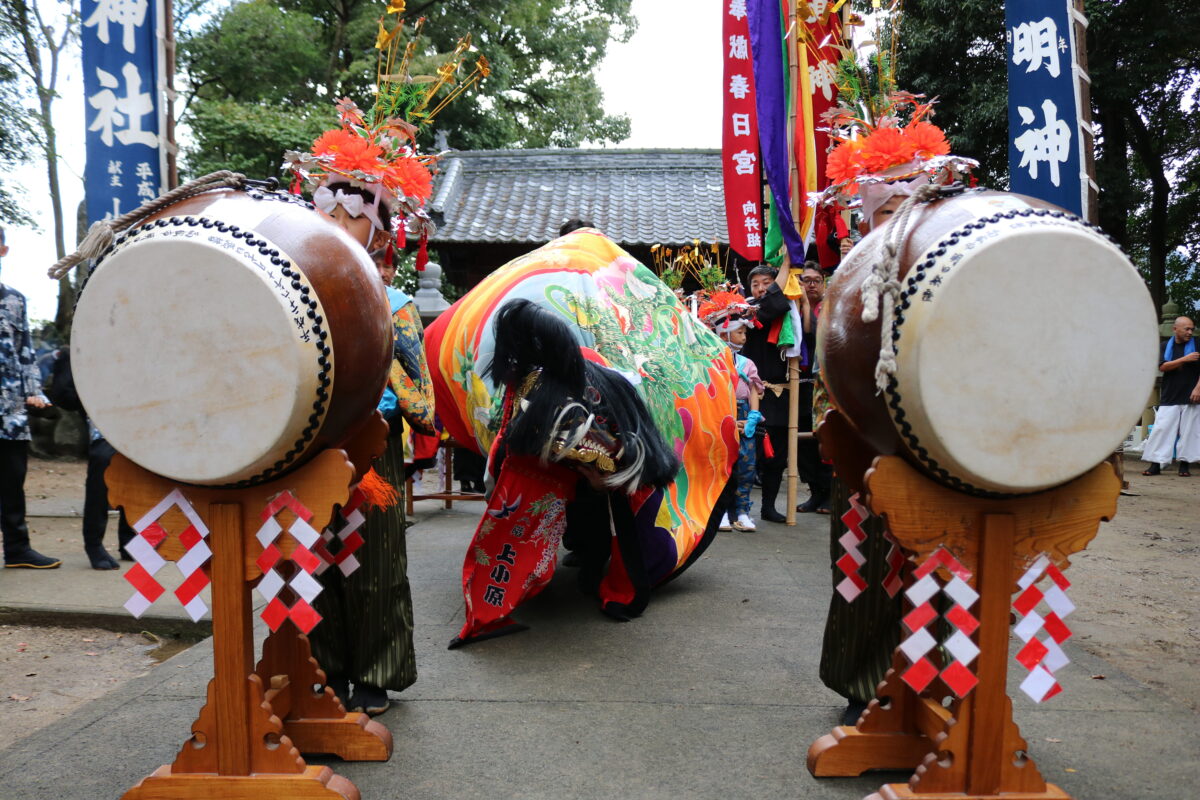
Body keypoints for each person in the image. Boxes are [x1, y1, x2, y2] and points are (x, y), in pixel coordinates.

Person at [287, 94, 439, 716]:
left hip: (372, 444)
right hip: (305, 442)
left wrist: (392, 385)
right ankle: (317, 670)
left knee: (372, 559)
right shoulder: (290, 289)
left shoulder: (397, 303)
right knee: (306, 557)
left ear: (379, 228)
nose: (341, 224)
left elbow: (424, 401)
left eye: (356, 213)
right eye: (332, 207)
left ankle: (376, 673)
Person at [0, 225, 60, 569]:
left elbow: (26, 353)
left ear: (4, 251)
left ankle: (18, 550)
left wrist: (35, 392)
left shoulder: (15, 300)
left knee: (12, 482)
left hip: (10, 411)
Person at [742, 264, 810, 523]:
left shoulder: (789, 311)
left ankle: (768, 507)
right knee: (748, 453)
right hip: (751, 391)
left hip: (780, 392)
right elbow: (771, 303)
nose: (760, 288)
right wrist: (787, 263)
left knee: (777, 456)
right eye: (756, 284)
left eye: (765, 282)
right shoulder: (746, 310)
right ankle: (738, 508)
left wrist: (801, 301)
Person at [698, 291, 763, 531]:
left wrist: (752, 418)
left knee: (746, 465)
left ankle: (743, 511)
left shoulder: (748, 364)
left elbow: (755, 389)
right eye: (740, 332)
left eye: (745, 332)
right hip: (720, 415)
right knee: (720, 464)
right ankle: (721, 511)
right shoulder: (711, 361)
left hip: (744, 415)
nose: (744, 336)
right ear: (724, 332)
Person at [1141, 316, 1200, 477]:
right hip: (1170, 394)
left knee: (1189, 432)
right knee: (1162, 429)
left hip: (1192, 395)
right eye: (1186, 329)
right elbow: (1163, 366)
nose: (1190, 332)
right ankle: (1156, 464)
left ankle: (1185, 465)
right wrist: (1185, 359)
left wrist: (1198, 388)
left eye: (1191, 329)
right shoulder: (1165, 346)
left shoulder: (1197, 344)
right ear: (1175, 329)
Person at [796, 264, 831, 514]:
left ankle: (829, 491)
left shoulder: (831, 306)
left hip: (823, 384)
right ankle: (814, 492)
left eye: (815, 280)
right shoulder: (789, 307)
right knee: (801, 443)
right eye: (805, 280)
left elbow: (815, 332)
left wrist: (807, 307)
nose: (811, 285)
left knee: (823, 438)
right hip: (797, 383)